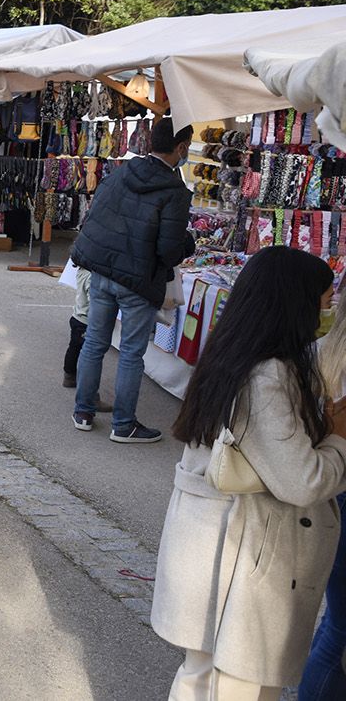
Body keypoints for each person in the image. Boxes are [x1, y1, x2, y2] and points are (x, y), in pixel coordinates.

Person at [150, 247, 346, 699]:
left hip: (213, 537)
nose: (328, 312)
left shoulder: (235, 352)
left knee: (202, 676)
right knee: (239, 683)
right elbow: (304, 480)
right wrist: (337, 437)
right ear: (293, 303)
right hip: (239, 549)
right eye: (323, 300)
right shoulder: (267, 376)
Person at [72, 116, 195, 444]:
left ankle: (83, 410)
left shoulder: (123, 171)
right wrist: (189, 243)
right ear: (181, 147)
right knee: (130, 352)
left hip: (103, 269)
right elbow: (170, 250)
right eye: (187, 147)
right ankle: (123, 424)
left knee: (95, 341)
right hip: (137, 280)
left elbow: (101, 214)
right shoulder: (175, 192)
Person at [301, 290, 346, 701]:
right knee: (341, 627)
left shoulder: (321, 352)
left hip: (333, 493)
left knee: (337, 621)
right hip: (338, 488)